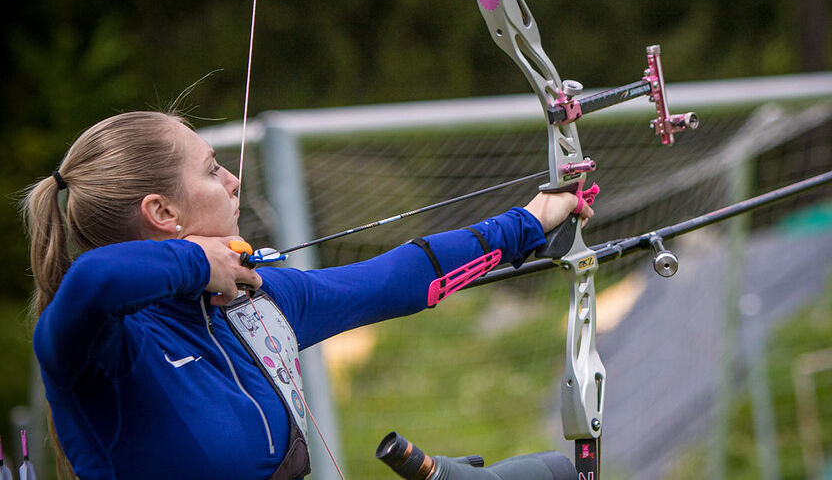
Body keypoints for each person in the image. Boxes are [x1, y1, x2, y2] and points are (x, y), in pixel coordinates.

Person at [22, 110, 592, 480]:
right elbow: (94, 283)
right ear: (163, 212)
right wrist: (199, 261)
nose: (232, 182)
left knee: (548, 476)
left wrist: (530, 221)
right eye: (213, 170)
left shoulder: (254, 302)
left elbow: (397, 278)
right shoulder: (96, 347)